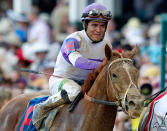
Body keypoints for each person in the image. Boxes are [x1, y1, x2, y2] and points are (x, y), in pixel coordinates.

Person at [34, 2, 112, 119]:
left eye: (102, 26)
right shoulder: (73, 39)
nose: (98, 30)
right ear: (84, 24)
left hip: (87, 85)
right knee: (74, 92)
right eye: (94, 25)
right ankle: (42, 108)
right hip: (63, 81)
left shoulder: (107, 44)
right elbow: (77, 62)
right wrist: (104, 64)